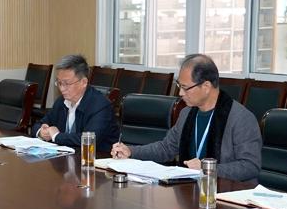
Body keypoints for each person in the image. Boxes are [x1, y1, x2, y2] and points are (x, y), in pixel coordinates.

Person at [110, 54, 261, 182]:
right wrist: (131, 151)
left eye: (185, 87)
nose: (180, 93)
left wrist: (207, 168)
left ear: (206, 87)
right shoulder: (187, 113)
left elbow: (250, 166)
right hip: (190, 190)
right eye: (179, 86)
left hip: (226, 194)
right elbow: (166, 148)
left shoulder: (240, 118)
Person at [34, 54, 120, 153]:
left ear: (83, 82)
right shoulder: (61, 102)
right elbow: (39, 124)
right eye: (59, 83)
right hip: (67, 157)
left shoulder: (101, 106)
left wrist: (56, 136)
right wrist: (42, 132)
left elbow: (88, 140)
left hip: (96, 159)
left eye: (66, 83)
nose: (62, 89)